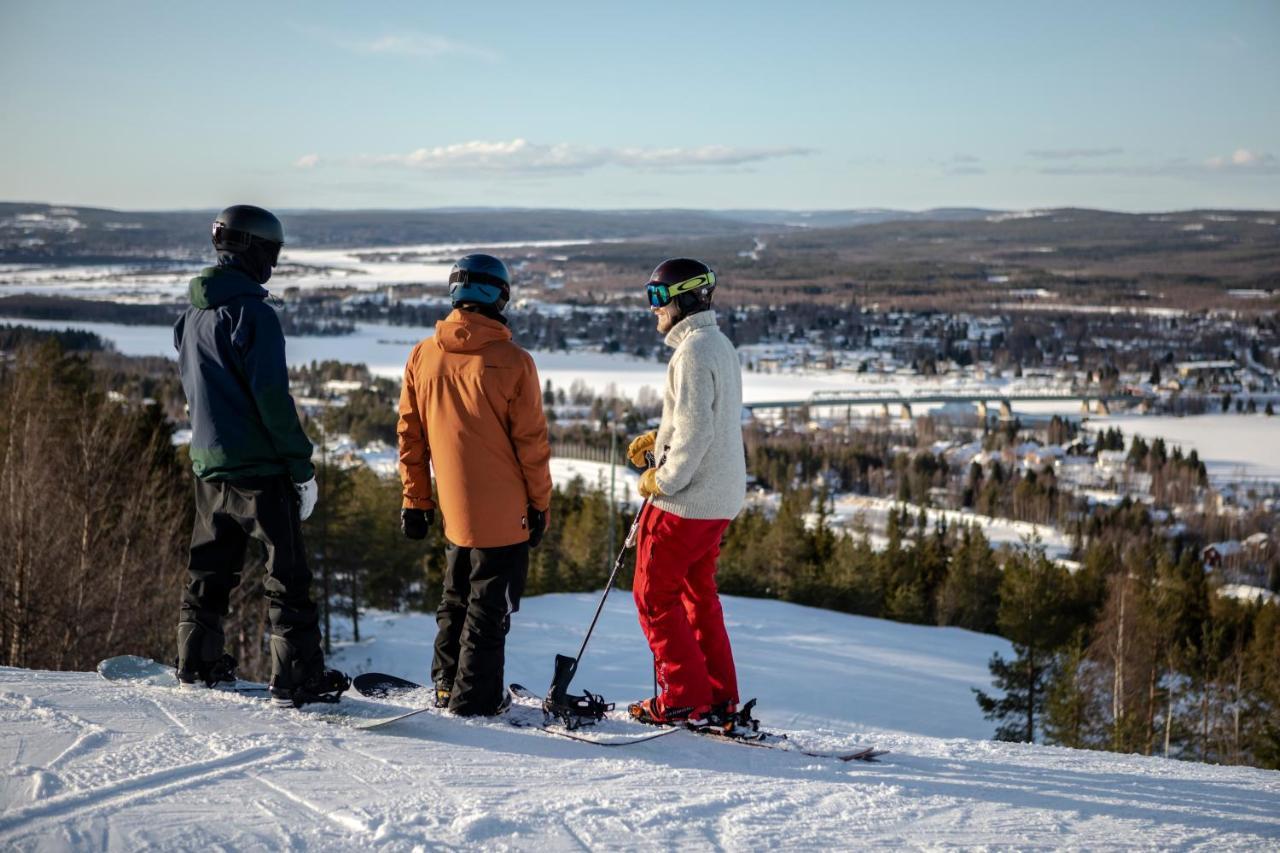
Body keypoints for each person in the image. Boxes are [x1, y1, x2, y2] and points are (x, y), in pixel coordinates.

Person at [174, 204, 348, 707]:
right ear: (254, 250)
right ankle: (296, 678)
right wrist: (301, 468)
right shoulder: (255, 315)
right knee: (287, 575)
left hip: (209, 467)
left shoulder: (191, 316)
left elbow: (195, 392)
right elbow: (273, 400)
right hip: (261, 472)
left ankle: (196, 661)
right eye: (272, 250)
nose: (273, 261)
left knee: (208, 568)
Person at [397, 253, 553, 716]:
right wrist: (540, 505)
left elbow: (411, 435)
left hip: (454, 510)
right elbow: (532, 445)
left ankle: (447, 685)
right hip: (506, 514)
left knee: (455, 597)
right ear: (501, 295)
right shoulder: (514, 362)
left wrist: (416, 499)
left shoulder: (423, 355)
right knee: (490, 608)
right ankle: (476, 699)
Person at [626, 258, 747, 726]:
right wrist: (657, 441)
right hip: (718, 498)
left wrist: (664, 478)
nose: (651, 308)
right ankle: (717, 697)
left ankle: (682, 697)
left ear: (686, 298)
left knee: (653, 594)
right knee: (698, 596)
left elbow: (695, 434)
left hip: (686, 500)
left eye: (658, 296)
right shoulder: (717, 344)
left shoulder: (693, 352)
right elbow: (704, 421)